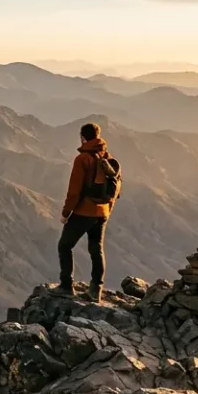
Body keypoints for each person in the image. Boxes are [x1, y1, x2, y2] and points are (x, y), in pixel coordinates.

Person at [56, 122, 115, 302]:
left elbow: (74, 191)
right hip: (103, 212)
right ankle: (96, 290)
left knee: (64, 246)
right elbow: (115, 186)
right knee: (96, 249)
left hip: (84, 211)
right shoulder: (107, 156)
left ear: (83, 137)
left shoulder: (82, 159)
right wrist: (107, 210)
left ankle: (66, 286)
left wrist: (66, 213)